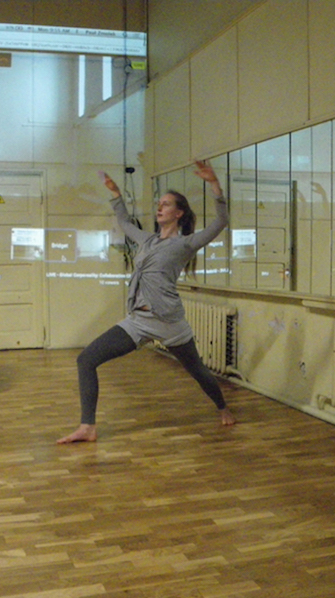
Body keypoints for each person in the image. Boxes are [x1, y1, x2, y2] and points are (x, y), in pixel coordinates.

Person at [57, 161, 236, 444]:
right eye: (159, 204)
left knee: (198, 371)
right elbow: (125, 223)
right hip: (138, 320)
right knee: (86, 359)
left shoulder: (185, 244)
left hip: (169, 322)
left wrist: (214, 185)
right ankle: (87, 427)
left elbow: (221, 222)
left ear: (178, 213)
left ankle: (223, 407)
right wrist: (116, 194)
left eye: (166, 204)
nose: (159, 208)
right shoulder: (147, 240)